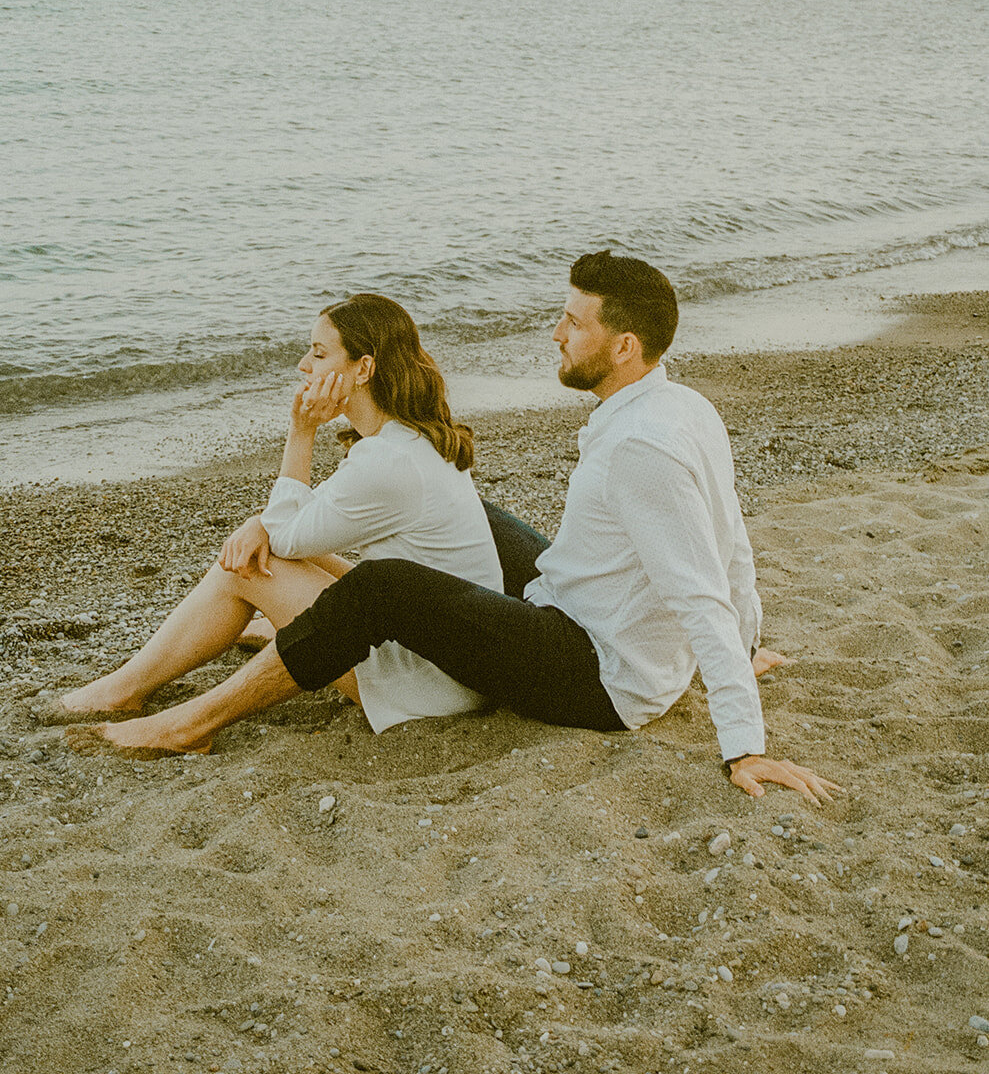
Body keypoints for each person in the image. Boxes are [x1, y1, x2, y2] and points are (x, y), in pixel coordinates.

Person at [69, 253, 840, 805]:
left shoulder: (641, 447)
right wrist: (739, 648)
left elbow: (702, 583)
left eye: (572, 324)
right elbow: (730, 539)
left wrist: (744, 741)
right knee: (487, 522)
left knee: (385, 586)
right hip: (586, 619)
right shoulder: (677, 407)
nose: (554, 334)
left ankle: (189, 723)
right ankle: (255, 640)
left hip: (595, 678)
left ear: (622, 346)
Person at [53, 293, 503, 738]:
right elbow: (305, 521)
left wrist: (301, 429)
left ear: (363, 369)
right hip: (454, 662)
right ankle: (250, 630)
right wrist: (260, 523)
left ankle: (123, 689)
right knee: (266, 544)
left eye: (319, 352)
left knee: (245, 567)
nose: (304, 365)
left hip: (430, 688)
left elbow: (286, 534)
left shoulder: (387, 462)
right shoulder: (407, 441)